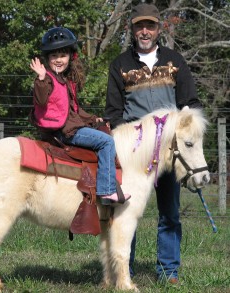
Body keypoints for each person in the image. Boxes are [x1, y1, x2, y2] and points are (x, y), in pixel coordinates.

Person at [105, 3, 202, 283]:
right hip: (135, 152)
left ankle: (168, 271)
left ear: (159, 28)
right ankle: (125, 271)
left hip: (170, 150)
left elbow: (190, 103)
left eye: (150, 26)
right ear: (132, 29)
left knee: (170, 212)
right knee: (126, 212)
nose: (144, 31)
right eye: (139, 26)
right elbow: (113, 112)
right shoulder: (120, 65)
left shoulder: (175, 61)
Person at [29, 27, 131, 205]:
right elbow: (41, 99)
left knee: (102, 132)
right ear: (47, 59)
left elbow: (74, 111)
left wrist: (93, 119)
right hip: (64, 131)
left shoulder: (66, 82)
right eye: (53, 56)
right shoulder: (47, 80)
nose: (58, 60)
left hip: (69, 126)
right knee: (106, 142)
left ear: (71, 56)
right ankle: (106, 191)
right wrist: (41, 78)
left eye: (62, 55)